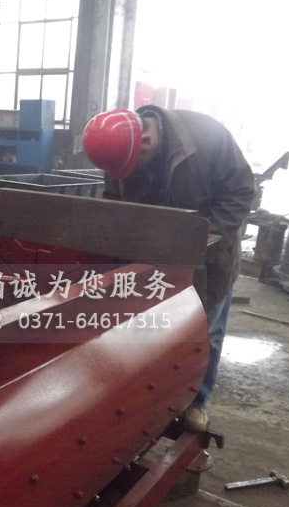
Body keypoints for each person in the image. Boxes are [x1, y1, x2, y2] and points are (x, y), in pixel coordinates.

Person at [83, 105, 257, 432]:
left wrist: (202, 240)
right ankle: (157, 396)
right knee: (155, 330)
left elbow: (242, 192)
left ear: (147, 141)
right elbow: (113, 199)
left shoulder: (206, 137)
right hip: (152, 258)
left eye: (136, 165)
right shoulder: (120, 150)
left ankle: (197, 402)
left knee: (205, 332)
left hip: (209, 258)